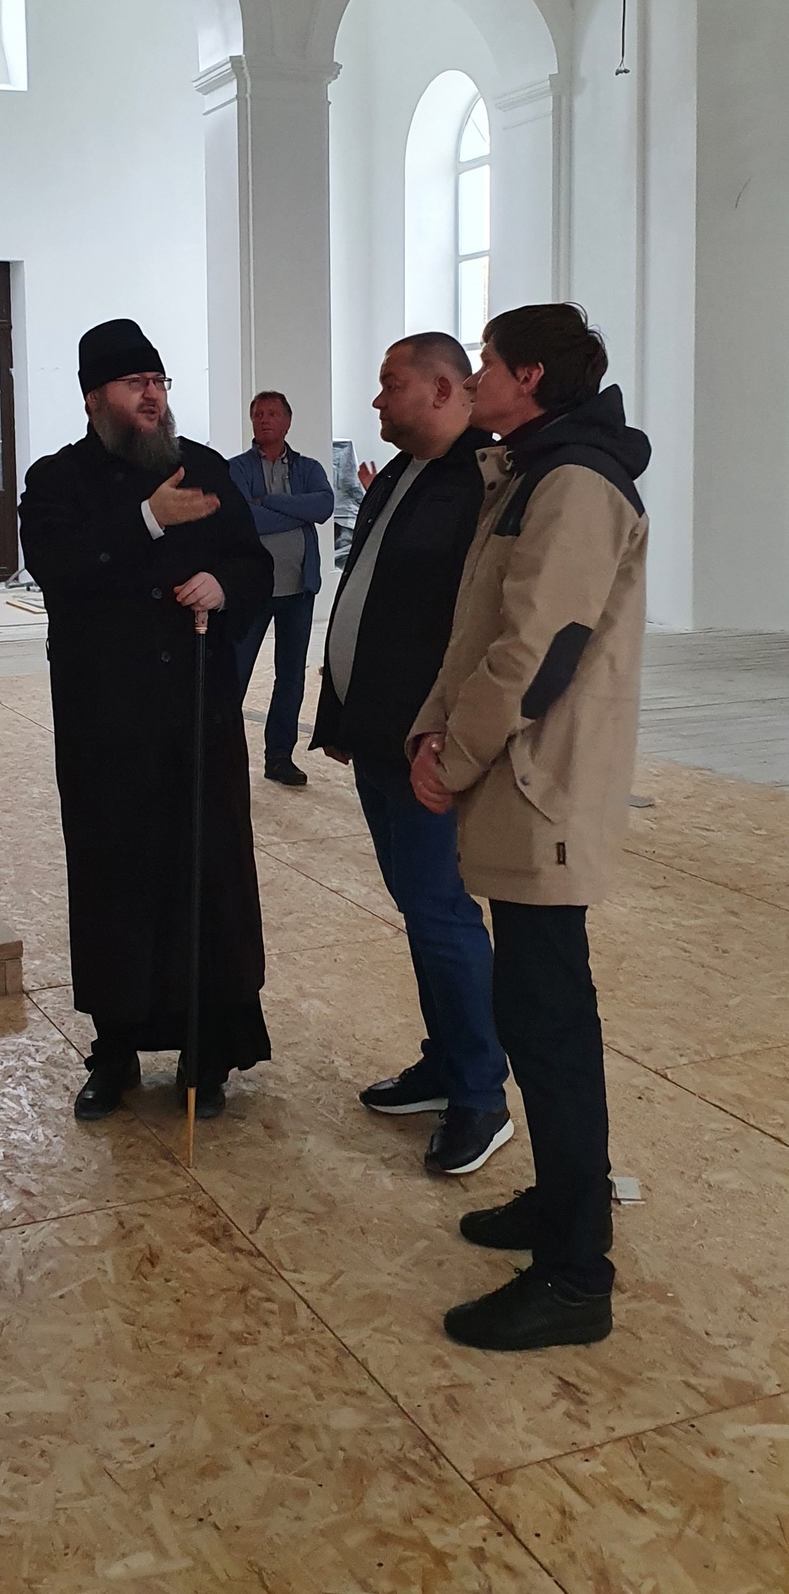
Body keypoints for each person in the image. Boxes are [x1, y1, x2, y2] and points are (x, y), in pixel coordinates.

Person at [408, 304, 650, 1352]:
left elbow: (535, 652)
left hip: (544, 784)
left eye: (489, 365)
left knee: (549, 1023)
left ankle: (576, 1276)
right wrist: (434, 730)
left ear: (532, 377)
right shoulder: (532, 471)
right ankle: (560, 1206)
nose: (477, 381)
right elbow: (478, 627)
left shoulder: (577, 483)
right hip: (516, 777)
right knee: (535, 1008)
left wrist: (453, 755)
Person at [19, 317, 274, 1123]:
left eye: (159, 382)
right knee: (115, 881)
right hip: (107, 725)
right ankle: (116, 1050)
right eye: (135, 384)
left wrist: (224, 587)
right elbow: (59, 569)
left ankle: (208, 1051)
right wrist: (149, 520)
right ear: (95, 397)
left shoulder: (203, 467)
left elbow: (253, 563)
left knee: (205, 877)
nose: (152, 397)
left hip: (196, 715)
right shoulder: (56, 480)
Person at [311, 334, 512, 1175]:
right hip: (379, 736)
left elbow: (482, 627)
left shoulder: (485, 482)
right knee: (418, 907)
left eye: (390, 385)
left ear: (439, 390)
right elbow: (369, 597)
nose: (377, 400)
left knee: (440, 910)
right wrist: (342, 716)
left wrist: (448, 736)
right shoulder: (402, 474)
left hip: (426, 744)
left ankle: (481, 1095)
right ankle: (446, 1061)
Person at [230, 391, 333, 787]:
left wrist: (269, 501)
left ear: (288, 422)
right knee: (235, 674)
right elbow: (243, 519)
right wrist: (295, 511)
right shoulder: (236, 469)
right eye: (257, 413)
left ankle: (279, 757)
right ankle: (222, 757)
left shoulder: (308, 468)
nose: (264, 419)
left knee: (290, 678)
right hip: (251, 592)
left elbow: (322, 507)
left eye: (272, 413)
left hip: (298, 592)